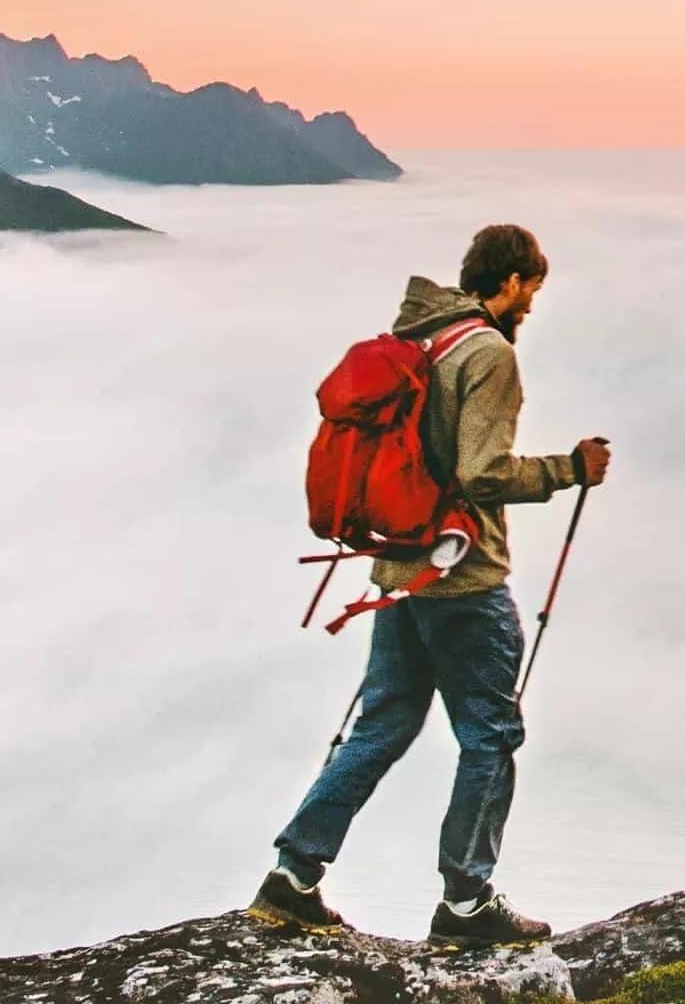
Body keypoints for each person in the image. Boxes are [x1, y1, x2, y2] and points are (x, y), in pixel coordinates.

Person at [252, 222, 611, 948]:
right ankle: (467, 903)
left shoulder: (419, 340)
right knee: (490, 734)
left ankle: (292, 876)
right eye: (531, 290)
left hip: (400, 568)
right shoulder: (487, 353)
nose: (532, 307)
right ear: (509, 282)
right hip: (464, 579)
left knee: (382, 725)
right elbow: (482, 473)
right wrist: (569, 468)